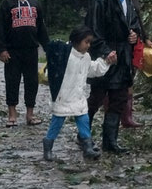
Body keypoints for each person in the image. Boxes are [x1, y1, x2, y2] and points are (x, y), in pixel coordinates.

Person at [84, 0, 144, 153]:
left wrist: (134, 34)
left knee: (119, 98)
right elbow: (93, 28)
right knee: (96, 98)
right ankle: (83, 135)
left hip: (123, 55)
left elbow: (133, 21)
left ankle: (110, 141)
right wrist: (104, 51)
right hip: (106, 56)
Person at [42, 26, 117, 161]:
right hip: (63, 96)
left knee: (83, 120)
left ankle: (87, 147)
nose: (88, 45)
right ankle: (48, 147)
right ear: (77, 41)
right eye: (86, 42)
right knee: (57, 122)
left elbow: (93, 70)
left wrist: (106, 62)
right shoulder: (64, 55)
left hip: (78, 96)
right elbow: (52, 73)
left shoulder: (86, 57)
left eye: (89, 42)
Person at [0, 0, 50, 127]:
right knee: (12, 81)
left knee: (32, 81)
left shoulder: (35, 4)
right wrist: (2, 49)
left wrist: (48, 48)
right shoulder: (7, 5)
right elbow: (0, 28)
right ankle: (12, 114)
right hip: (12, 51)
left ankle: (30, 114)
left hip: (31, 50)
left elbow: (41, 29)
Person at [121, 0, 152, 128]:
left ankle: (127, 116)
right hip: (118, 42)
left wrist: (146, 37)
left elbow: (138, 17)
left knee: (130, 77)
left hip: (134, 41)